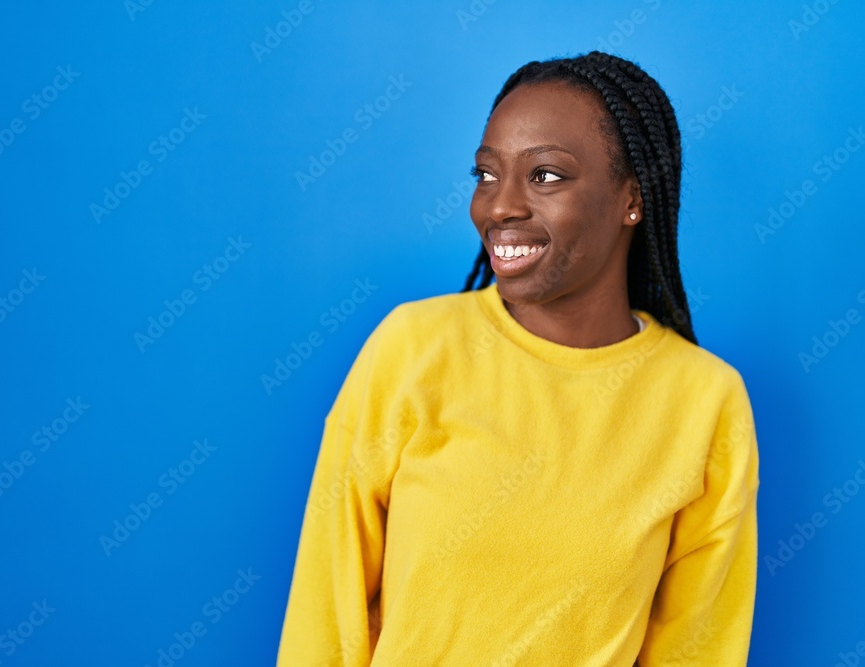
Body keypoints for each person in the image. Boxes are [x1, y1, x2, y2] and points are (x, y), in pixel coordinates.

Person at [277, 51, 760, 666]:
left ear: (630, 198)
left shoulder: (704, 402)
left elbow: (699, 648)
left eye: (546, 176)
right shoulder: (413, 349)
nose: (499, 206)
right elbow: (326, 610)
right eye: (485, 175)